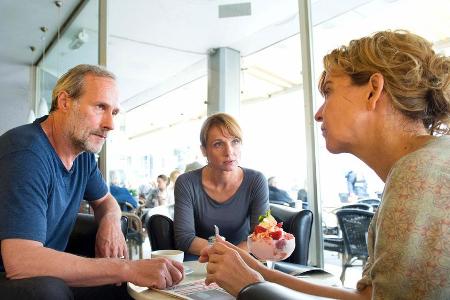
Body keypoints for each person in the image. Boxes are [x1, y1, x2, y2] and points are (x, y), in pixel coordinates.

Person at [200, 30, 450, 299]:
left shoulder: (420, 175)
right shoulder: (423, 164)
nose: (319, 114)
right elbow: (369, 297)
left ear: (373, 91)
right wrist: (258, 273)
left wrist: (251, 288)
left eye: (328, 92)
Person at [0, 64, 183, 299]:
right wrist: (126, 268)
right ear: (65, 102)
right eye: (100, 107)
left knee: (124, 289)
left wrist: (110, 220)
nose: (110, 124)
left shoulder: (83, 155)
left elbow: (107, 201)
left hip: (40, 265)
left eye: (114, 112)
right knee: (51, 291)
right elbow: (21, 262)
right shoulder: (26, 153)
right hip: (10, 271)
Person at [174, 113, 269, 258]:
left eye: (235, 141)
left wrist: (231, 258)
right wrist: (225, 256)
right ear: (204, 150)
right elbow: (185, 238)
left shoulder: (256, 181)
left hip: (243, 258)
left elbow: (260, 235)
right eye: (218, 144)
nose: (229, 151)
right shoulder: (186, 183)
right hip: (201, 259)